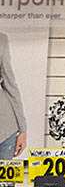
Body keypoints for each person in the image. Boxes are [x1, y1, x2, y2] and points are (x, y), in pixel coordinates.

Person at [0, 32, 26, 161]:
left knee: (5, 181)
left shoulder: (2, 40)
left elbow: (11, 86)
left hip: (5, 130)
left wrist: (22, 129)